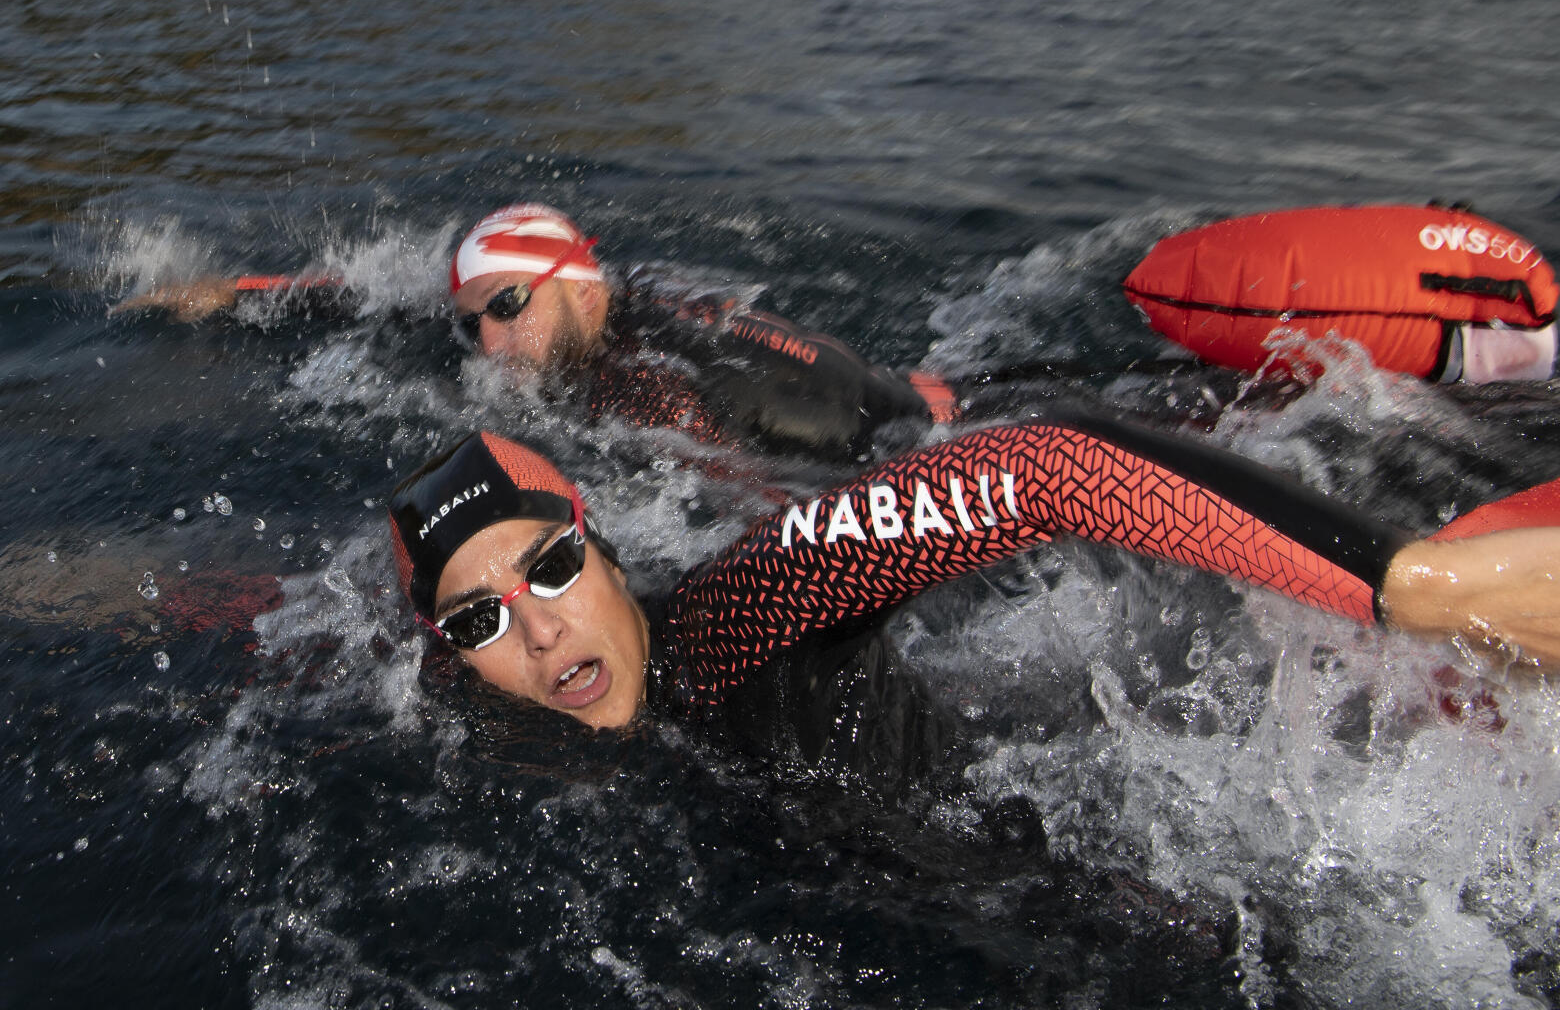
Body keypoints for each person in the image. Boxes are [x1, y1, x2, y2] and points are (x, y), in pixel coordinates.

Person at [386, 416, 1560, 775]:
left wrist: (1413, 585)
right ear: (453, 658)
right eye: (480, 619)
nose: (538, 626)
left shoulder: (731, 619)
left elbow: (1030, 471)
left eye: (547, 567)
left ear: (604, 555)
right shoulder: (502, 744)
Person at [112, 203, 960, 459]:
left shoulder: (646, 386)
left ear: (582, 295)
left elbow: (752, 511)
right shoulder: (619, 294)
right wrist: (235, 290)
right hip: (921, 386)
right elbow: (377, 293)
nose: (485, 341)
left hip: (949, 441)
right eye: (471, 319)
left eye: (507, 307)